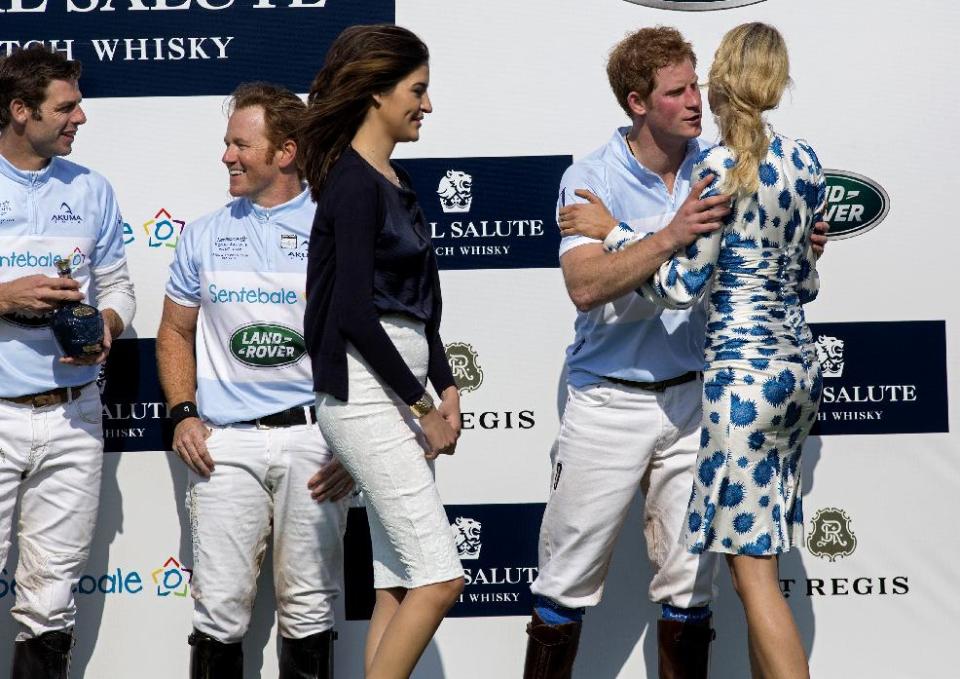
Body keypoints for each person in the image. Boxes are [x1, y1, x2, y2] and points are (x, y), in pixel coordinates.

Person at [523, 27, 828, 679]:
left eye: (697, 84)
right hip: (609, 399)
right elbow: (585, 286)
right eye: (677, 91)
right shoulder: (591, 176)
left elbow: (749, 262)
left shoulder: (720, 161)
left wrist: (793, 245)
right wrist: (666, 236)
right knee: (564, 585)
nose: (696, 100)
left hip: (699, 402)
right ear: (638, 102)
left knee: (691, 591)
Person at [634, 24, 821, 679]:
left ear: (722, 78)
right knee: (759, 570)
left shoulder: (715, 166)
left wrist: (617, 240)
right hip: (796, 373)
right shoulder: (805, 160)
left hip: (741, 385)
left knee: (754, 580)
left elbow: (682, 287)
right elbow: (807, 282)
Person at [156, 82, 352, 679]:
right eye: (227, 144)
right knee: (218, 609)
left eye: (241, 145)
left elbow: (376, 341)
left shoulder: (335, 227)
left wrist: (355, 440)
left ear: (286, 152)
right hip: (227, 444)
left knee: (310, 606)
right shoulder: (205, 233)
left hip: (316, 440)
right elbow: (173, 330)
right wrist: (184, 412)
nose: (227, 157)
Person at [300, 24, 464, 679]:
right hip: (366, 392)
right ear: (375, 92)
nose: (427, 104)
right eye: (417, 90)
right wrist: (423, 402)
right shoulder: (349, 183)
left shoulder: (394, 180)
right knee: (440, 577)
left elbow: (422, 307)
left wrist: (447, 386)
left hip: (400, 388)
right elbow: (354, 316)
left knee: (398, 582)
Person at [0, 45, 135, 678]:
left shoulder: (91, 189)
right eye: (68, 106)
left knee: (52, 596)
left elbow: (120, 287)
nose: (80, 118)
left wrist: (106, 323)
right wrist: (7, 297)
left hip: (74, 416)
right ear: (20, 111)